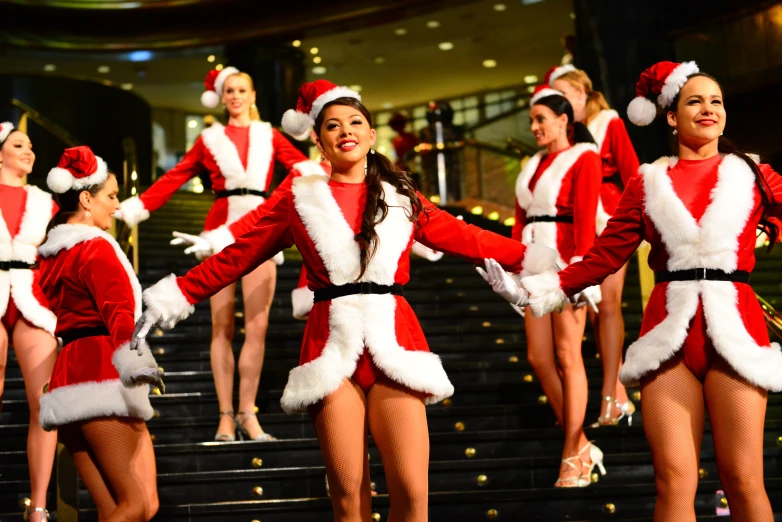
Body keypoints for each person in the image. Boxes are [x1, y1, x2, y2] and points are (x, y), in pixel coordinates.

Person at [131, 80, 552, 522]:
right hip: (330, 347)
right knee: (348, 497)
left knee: (411, 491)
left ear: (371, 135)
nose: (345, 131)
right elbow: (237, 257)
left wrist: (538, 262)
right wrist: (174, 295)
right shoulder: (298, 200)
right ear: (318, 140)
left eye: (355, 122)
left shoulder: (401, 198)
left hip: (396, 343)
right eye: (332, 125)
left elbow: (467, 236)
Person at [515, 61, 780, 522]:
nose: (708, 109)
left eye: (715, 101)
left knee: (743, 480)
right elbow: (602, 257)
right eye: (694, 100)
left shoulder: (753, 173)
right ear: (671, 116)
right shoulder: (646, 182)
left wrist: (772, 227)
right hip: (667, 339)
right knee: (673, 483)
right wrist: (544, 289)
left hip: (737, 334)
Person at [116, 66, 316, 442]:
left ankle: (247, 415)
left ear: (253, 95)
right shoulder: (208, 138)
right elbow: (175, 176)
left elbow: (303, 170)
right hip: (217, 232)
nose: (236, 96)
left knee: (257, 329)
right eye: (230, 91)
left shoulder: (268, 135)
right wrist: (137, 206)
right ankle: (225, 417)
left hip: (263, 229)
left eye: (243, 89)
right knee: (221, 330)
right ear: (222, 98)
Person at [38, 146, 163, 522]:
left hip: (69, 377)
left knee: (133, 506)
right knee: (134, 505)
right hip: (102, 373)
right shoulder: (95, 247)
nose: (118, 204)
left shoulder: (54, 255)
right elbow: (119, 311)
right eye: (111, 196)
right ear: (86, 199)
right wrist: (136, 361)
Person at [507, 85, 604, 487]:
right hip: (532, 264)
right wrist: (512, 267)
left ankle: (571, 454)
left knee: (568, 356)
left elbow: (584, 219)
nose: (534, 127)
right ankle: (580, 443)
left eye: (540, 119)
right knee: (538, 357)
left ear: (565, 120)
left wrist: (581, 272)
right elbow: (518, 219)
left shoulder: (584, 156)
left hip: (566, 264)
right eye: (531, 120)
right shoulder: (531, 163)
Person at [548, 64, 641, 427]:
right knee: (581, 313)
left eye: (565, 95)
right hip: (574, 222)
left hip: (609, 220)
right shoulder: (561, 132)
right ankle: (585, 401)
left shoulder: (609, 122)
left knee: (609, 308)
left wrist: (630, 223)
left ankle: (615, 392)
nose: (560, 103)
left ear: (582, 93)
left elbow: (633, 172)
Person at [0, 122, 58, 522]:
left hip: (31, 295)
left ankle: (38, 508)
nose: (29, 151)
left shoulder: (44, 201)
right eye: (18, 144)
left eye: (32, 146)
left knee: (45, 402)